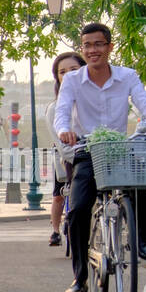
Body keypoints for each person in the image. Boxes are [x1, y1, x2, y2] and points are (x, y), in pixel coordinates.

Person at [55, 23, 146, 292]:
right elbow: (62, 110)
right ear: (82, 48)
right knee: (78, 209)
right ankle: (81, 278)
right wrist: (64, 130)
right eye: (87, 45)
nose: (92, 50)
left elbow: (145, 104)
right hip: (88, 152)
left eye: (98, 44)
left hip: (120, 152)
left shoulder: (127, 76)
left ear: (110, 47)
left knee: (143, 201)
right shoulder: (73, 81)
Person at [44, 52, 84, 247]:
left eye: (73, 70)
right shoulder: (55, 109)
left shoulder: (94, 100)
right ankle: (55, 230)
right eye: (62, 72)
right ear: (58, 78)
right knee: (59, 195)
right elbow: (64, 148)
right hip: (70, 159)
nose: (68, 75)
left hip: (99, 158)